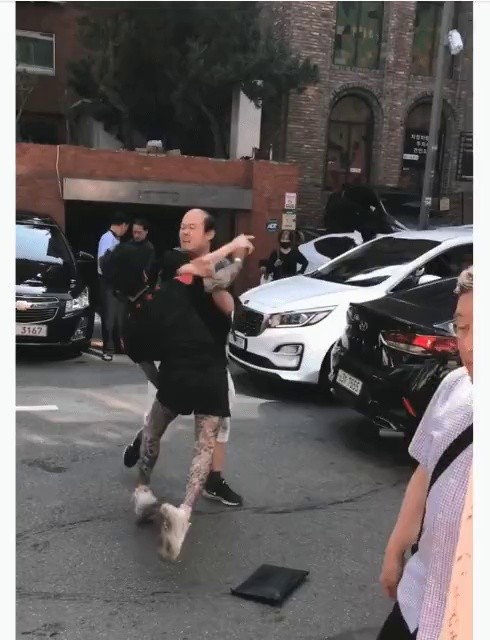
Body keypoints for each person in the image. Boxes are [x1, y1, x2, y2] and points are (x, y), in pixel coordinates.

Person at [126, 230, 253, 561]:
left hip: (175, 375)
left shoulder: (155, 301)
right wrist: (238, 252)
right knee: (204, 445)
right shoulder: (213, 289)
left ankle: (143, 490)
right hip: (212, 376)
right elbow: (226, 278)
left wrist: (160, 384)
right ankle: (184, 511)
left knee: (153, 430)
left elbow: (141, 355)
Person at [377, 265, 473, 640]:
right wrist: (395, 548)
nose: (470, 345)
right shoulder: (455, 387)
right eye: (462, 327)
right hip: (419, 595)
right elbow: (426, 471)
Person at [97, 213, 130, 362]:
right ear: (123, 225)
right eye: (127, 227)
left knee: (118, 316)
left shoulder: (116, 240)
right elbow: (104, 262)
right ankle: (108, 349)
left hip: (116, 283)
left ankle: (117, 346)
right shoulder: (107, 238)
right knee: (109, 316)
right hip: (108, 282)